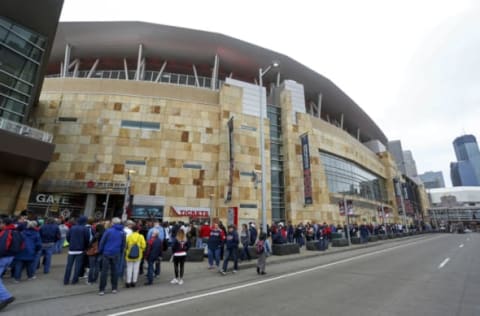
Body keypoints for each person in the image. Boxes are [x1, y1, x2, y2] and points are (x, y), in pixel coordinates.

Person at [98, 217, 125, 296]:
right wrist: (120, 252)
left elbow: (102, 242)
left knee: (104, 271)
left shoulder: (108, 231)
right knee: (115, 271)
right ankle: (114, 288)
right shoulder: (122, 232)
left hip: (106, 253)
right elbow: (123, 244)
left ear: (113, 223)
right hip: (116, 253)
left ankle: (102, 289)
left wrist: (100, 251)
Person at [63, 216, 90, 285]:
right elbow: (87, 239)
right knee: (78, 266)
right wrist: (85, 247)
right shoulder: (85, 229)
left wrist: (71, 243)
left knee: (69, 266)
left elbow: (68, 237)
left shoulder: (72, 228)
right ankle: (74, 280)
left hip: (71, 249)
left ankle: (66, 280)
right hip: (81, 249)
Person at [0, 218, 16, 311]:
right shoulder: (14, 231)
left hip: (2, 257)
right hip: (10, 257)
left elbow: (1, 248)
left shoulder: (5, 232)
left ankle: (6, 297)